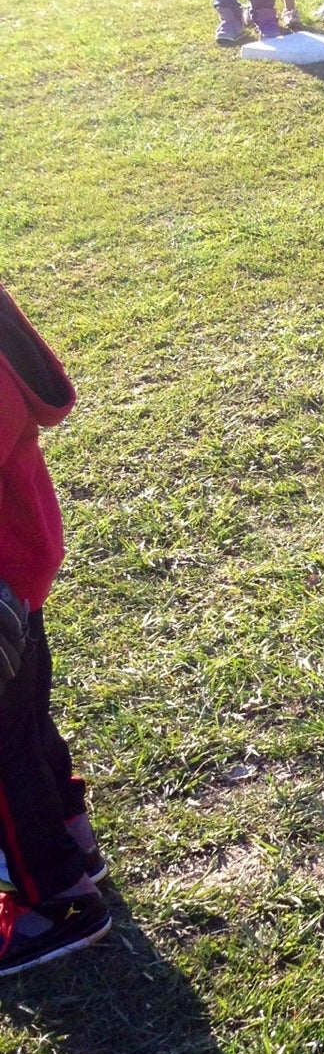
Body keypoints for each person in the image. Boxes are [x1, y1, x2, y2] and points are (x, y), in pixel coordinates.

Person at [0, 285, 110, 978]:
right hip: (19, 564)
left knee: (3, 748)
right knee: (21, 723)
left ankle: (56, 900)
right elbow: (47, 389)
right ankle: (71, 838)